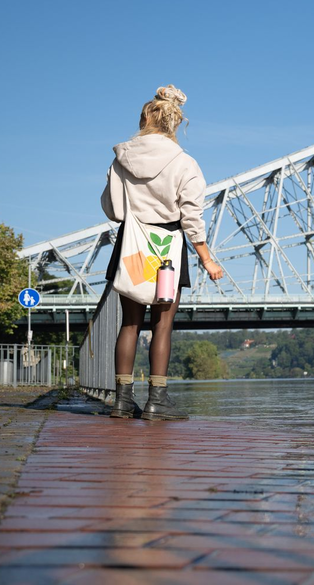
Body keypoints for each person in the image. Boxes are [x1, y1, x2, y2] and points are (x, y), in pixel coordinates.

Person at [101, 85, 223, 420]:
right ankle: (158, 401)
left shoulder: (121, 157)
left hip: (132, 244)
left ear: (144, 119)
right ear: (175, 124)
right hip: (167, 248)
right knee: (162, 326)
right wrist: (207, 258)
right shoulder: (185, 163)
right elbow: (191, 216)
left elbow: (111, 208)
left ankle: (122, 401)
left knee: (130, 323)